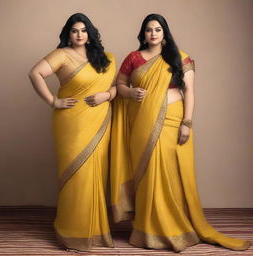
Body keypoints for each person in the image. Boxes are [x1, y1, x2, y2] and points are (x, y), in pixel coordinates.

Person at [110, 13, 250, 252]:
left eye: (157, 29)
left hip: (173, 120)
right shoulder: (133, 58)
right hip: (142, 123)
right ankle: (145, 230)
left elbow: (190, 92)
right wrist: (131, 93)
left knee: (169, 173)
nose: (153, 33)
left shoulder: (179, 58)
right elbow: (119, 86)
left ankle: (175, 227)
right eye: (148, 29)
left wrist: (187, 122)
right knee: (146, 173)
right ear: (143, 34)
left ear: (165, 33)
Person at [29, 13, 116, 252]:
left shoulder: (104, 58)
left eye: (83, 30)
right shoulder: (61, 55)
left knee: (96, 173)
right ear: (68, 34)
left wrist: (106, 95)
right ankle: (71, 231)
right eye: (74, 30)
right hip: (71, 123)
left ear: (90, 33)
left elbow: (115, 87)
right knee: (76, 175)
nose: (79, 35)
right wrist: (53, 101)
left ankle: (96, 231)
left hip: (99, 121)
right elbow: (34, 74)